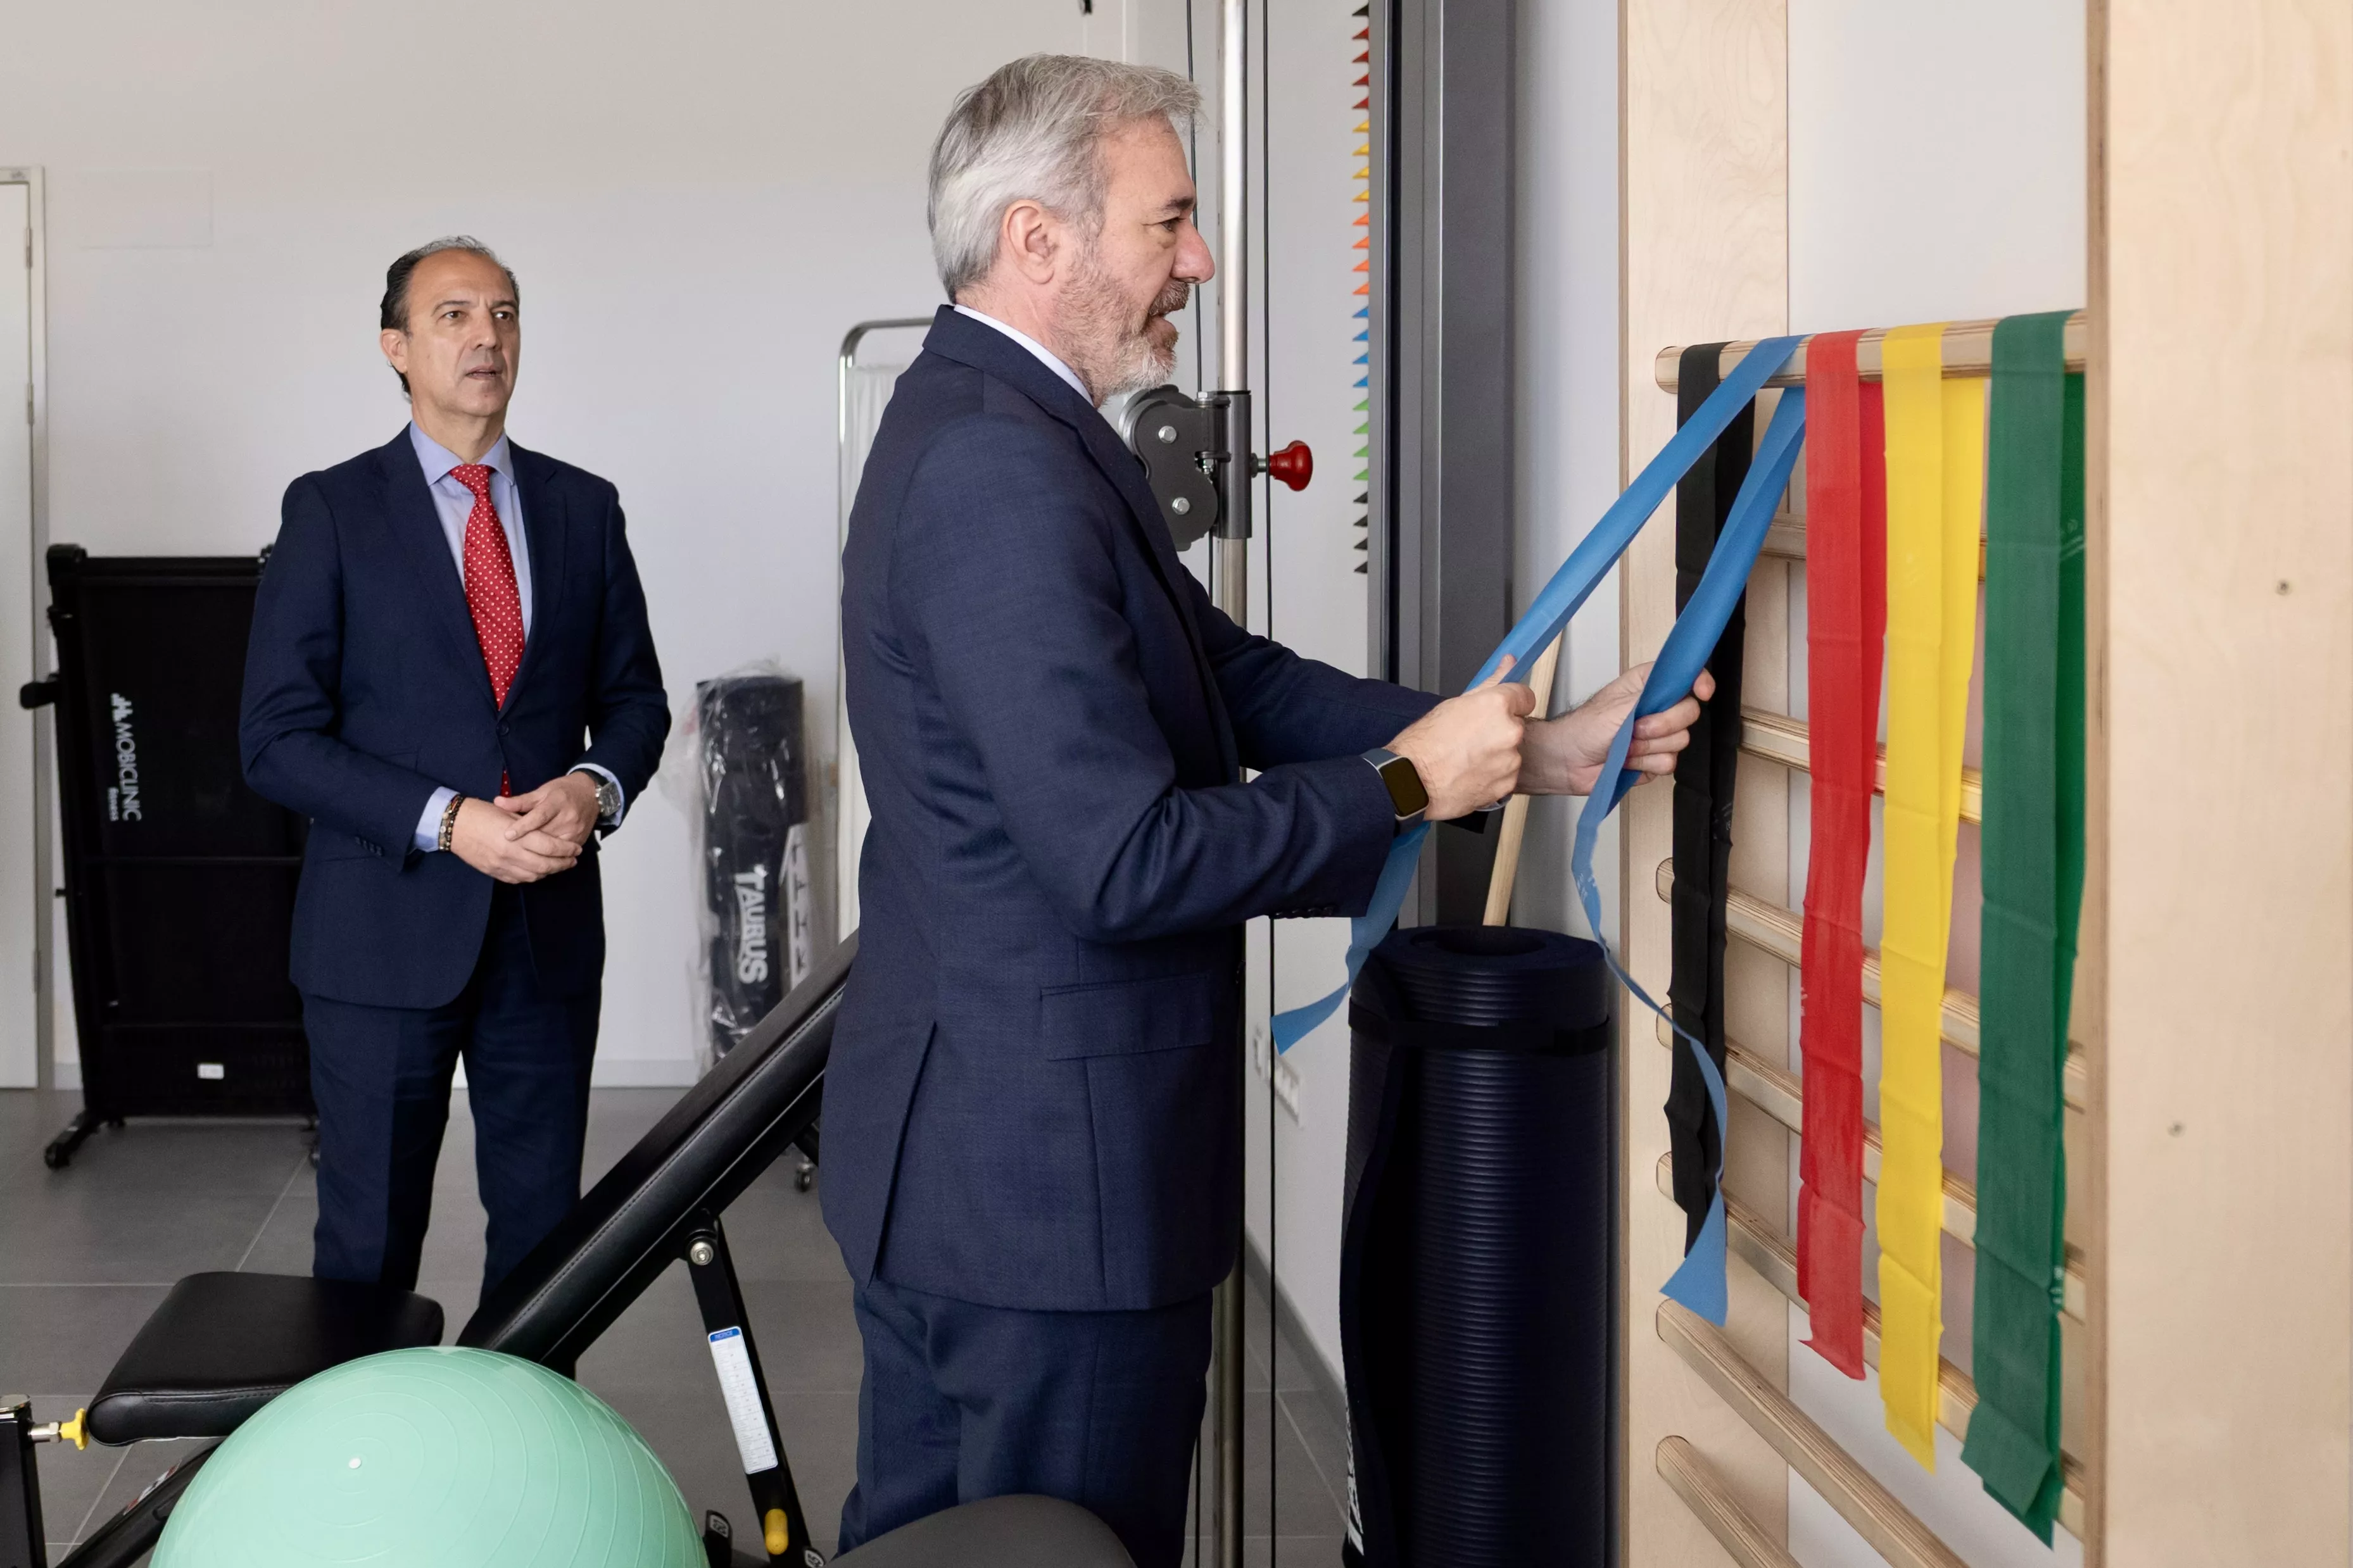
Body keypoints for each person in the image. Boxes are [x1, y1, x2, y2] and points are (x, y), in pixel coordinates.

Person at [828, 56, 1710, 1567]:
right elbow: (1121, 858)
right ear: (1038, 240)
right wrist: (1405, 784)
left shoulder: (1012, 426)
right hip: (1048, 1202)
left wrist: (1521, 749)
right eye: (1168, 220)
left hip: (987, 1174)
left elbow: (1217, 676)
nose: (1200, 260)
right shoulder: (996, 467)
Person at [239, 237, 669, 1300]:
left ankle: (521, 1455)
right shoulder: (332, 510)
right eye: (456, 315)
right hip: (380, 943)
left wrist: (592, 788)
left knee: (543, 1250)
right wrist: (448, 820)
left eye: (507, 313)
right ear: (395, 347)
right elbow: (276, 739)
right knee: (368, 1249)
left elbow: (635, 704)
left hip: (545, 935)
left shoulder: (584, 508)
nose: (489, 336)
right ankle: (362, 1463)